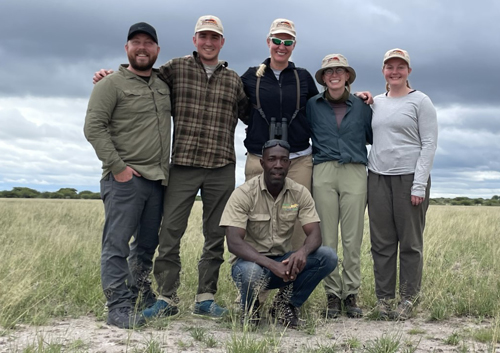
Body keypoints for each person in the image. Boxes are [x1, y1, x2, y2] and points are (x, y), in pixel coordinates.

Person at [84, 22, 171, 329]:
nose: (142, 47)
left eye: (149, 43)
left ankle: (138, 293)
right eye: (136, 42)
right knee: (117, 245)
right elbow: (93, 128)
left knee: (146, 245)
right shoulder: (110, 84)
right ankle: (117, 306)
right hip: (124, 180)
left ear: (157, 50)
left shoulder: (163, 84)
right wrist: (119, 169)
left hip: (157, 181)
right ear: (127, 48)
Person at [220, 139, 338, 328]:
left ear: (289, 164)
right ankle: (251, 308)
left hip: (284, 263)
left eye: (283, 160)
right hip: (251, 264)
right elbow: (234, 242)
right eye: (272, 159)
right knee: (251, 273)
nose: (278, 165)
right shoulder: (243, 193)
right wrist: (272, 265)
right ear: (262, 163)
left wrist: (301, 253)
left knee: (328, 257)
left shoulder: (299, 192)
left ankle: (285, 305)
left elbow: (315, 234)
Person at [368, 48, 438, 320]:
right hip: (377, 176)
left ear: (409, 71)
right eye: (390, 67)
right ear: (383, 70)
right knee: (381, 242)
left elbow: (429, 143)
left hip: (409, 177)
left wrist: (419, 184)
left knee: (410, 242)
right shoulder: (375, 102)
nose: (394, 71)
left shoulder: (421, 101)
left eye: (400, 67)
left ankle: (408, 299)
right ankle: (384, 300)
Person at [241, 18, 318, 251]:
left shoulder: (304, 77)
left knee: (295, 217)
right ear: (268, 42)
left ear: (294, 45)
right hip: (259, 158)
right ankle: (259, 281)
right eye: (277, 40)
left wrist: (357, 97)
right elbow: (236, 105)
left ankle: (292, 279)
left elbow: (320, 108)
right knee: (257, 217)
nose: (281, 46)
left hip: (298, 159)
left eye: (287, 41)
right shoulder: (250, 76)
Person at [306, 54, 373, 319]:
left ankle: (351, 293)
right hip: (322, 170)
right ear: (323, 78)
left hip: (355, 170)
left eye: (339, 70)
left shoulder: (363, 105)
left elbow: (371, 135)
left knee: (352, 237)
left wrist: (373, 100)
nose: (334, 75)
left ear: (347, 76)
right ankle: (332, 295)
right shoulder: (312, 104)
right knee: (328, 238)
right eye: (328, 71)